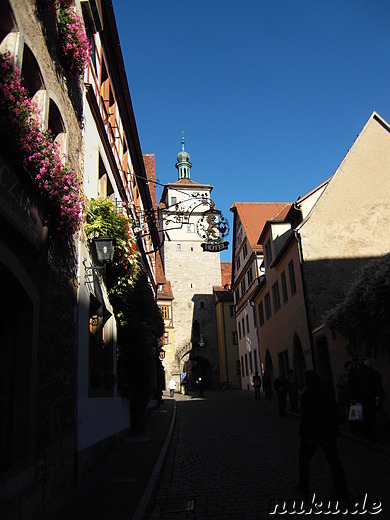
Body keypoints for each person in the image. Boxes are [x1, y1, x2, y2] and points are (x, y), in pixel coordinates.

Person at [295, 370, 349, 500]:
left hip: (313, 434)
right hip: (329, 432)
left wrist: (307, 436)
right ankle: (343, 493)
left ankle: (303, 486)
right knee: (334, 462)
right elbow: (335, 410)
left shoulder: (307, 395)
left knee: (303, 459)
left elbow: (306, 418)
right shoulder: (326, 392)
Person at [348, 354, 377, 441]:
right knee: (363, 416)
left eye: (361, 360)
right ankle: (367, 434)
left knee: (370, 415)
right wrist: (353, 397)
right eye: (358, 360)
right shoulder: (353, 372)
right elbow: (351, 385)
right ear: (355, 361)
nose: (360, 362)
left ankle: (369, 433)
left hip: (369, 396)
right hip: (359, 397)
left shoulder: (366, 370)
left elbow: (372, 381)